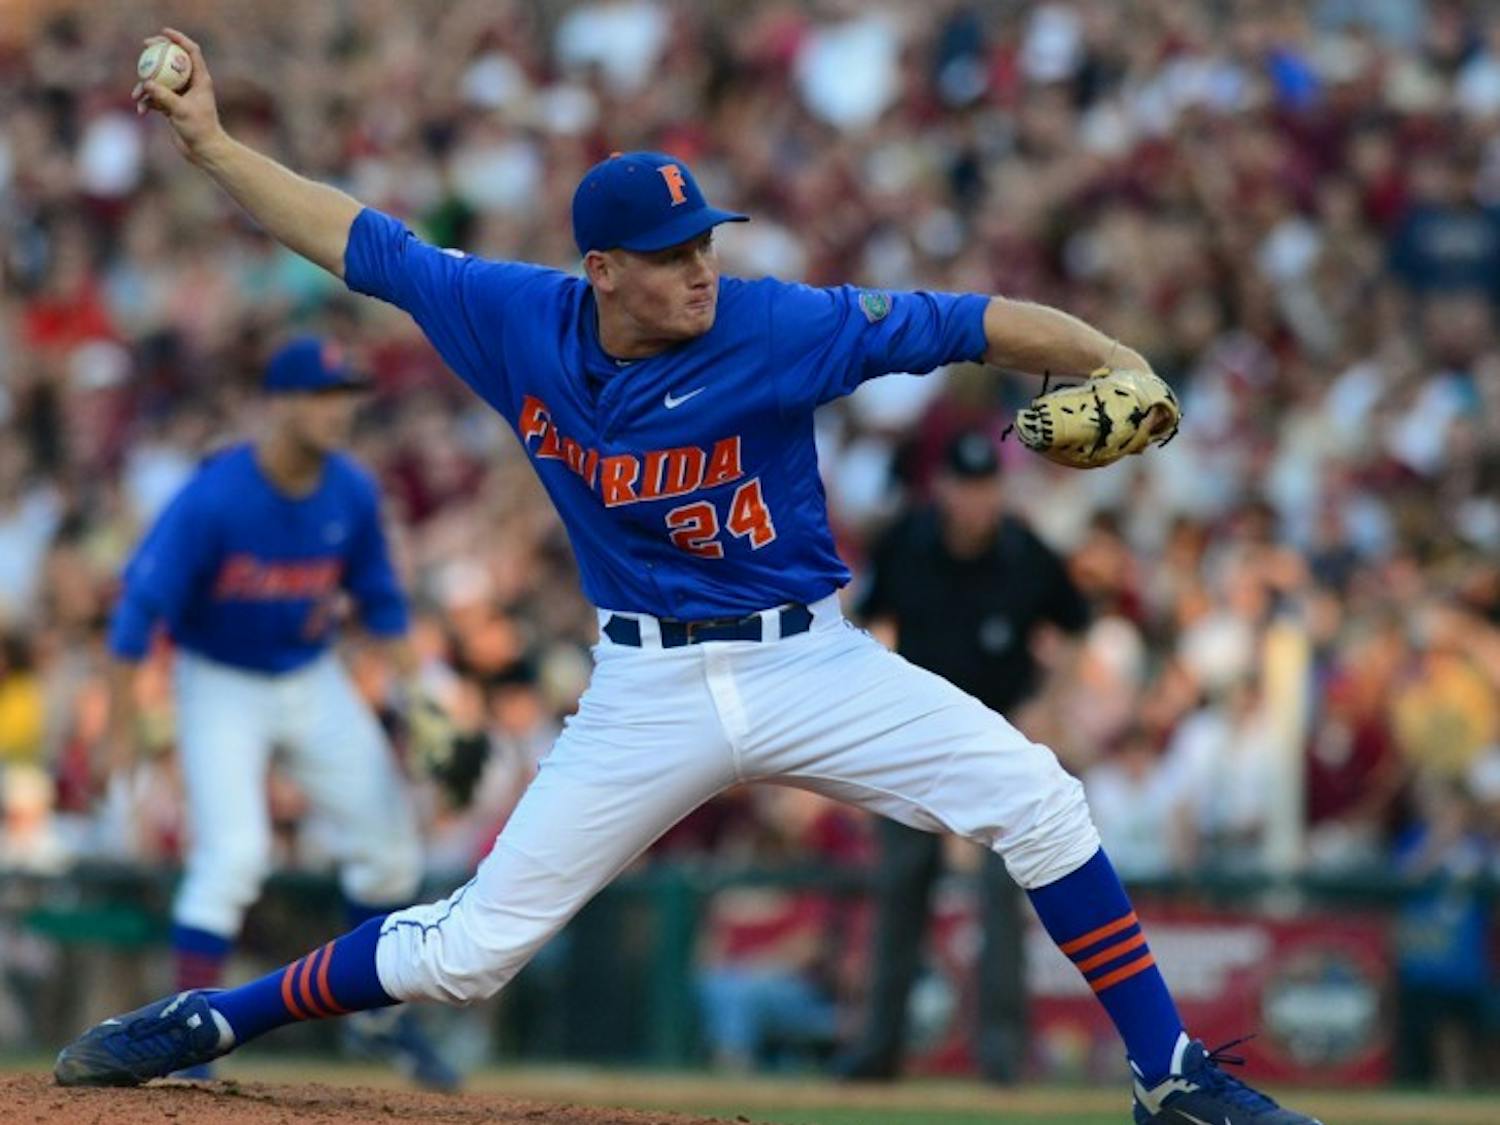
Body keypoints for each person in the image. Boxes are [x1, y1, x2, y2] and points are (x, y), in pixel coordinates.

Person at [55, 28, 1321, 1124]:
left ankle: (1169, 1073)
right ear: (602, 270)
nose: (701, 267)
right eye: (670, 253)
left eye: (705, 240)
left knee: (1040, 800)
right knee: (476, 951)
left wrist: (1114, 353)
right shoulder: (516, 321)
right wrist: (213, 146)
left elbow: (971, 321)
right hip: (643, 689)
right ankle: (212, 1019)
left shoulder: (777, 324)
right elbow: (356, 241)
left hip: (809, 660)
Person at [98, 335, 457, 1089]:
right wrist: (124, 728)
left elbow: (384, 603)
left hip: (309, 673)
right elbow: (137, 614)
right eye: (324, 394)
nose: (340, 408)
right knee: (232, 856)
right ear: (281, 402)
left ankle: (376, 1019)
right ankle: (184, 1047)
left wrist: (417, 694)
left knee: (391, 847)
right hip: (219, 679)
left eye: (347, 392)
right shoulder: (217, 495)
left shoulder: (351, 490)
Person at [836, 430, 1088, 1084]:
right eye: (966, 486)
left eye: (987, 486)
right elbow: (867, 625)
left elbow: (1077, 628)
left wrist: (1047, 706)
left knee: (1003, 899)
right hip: (916, 741)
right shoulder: (907, 543)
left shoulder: (1025, 552)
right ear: (943, 487)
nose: (977, 500)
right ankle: (879, 1048)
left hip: (998, 740)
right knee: (900, 889)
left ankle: (1002, 1054)